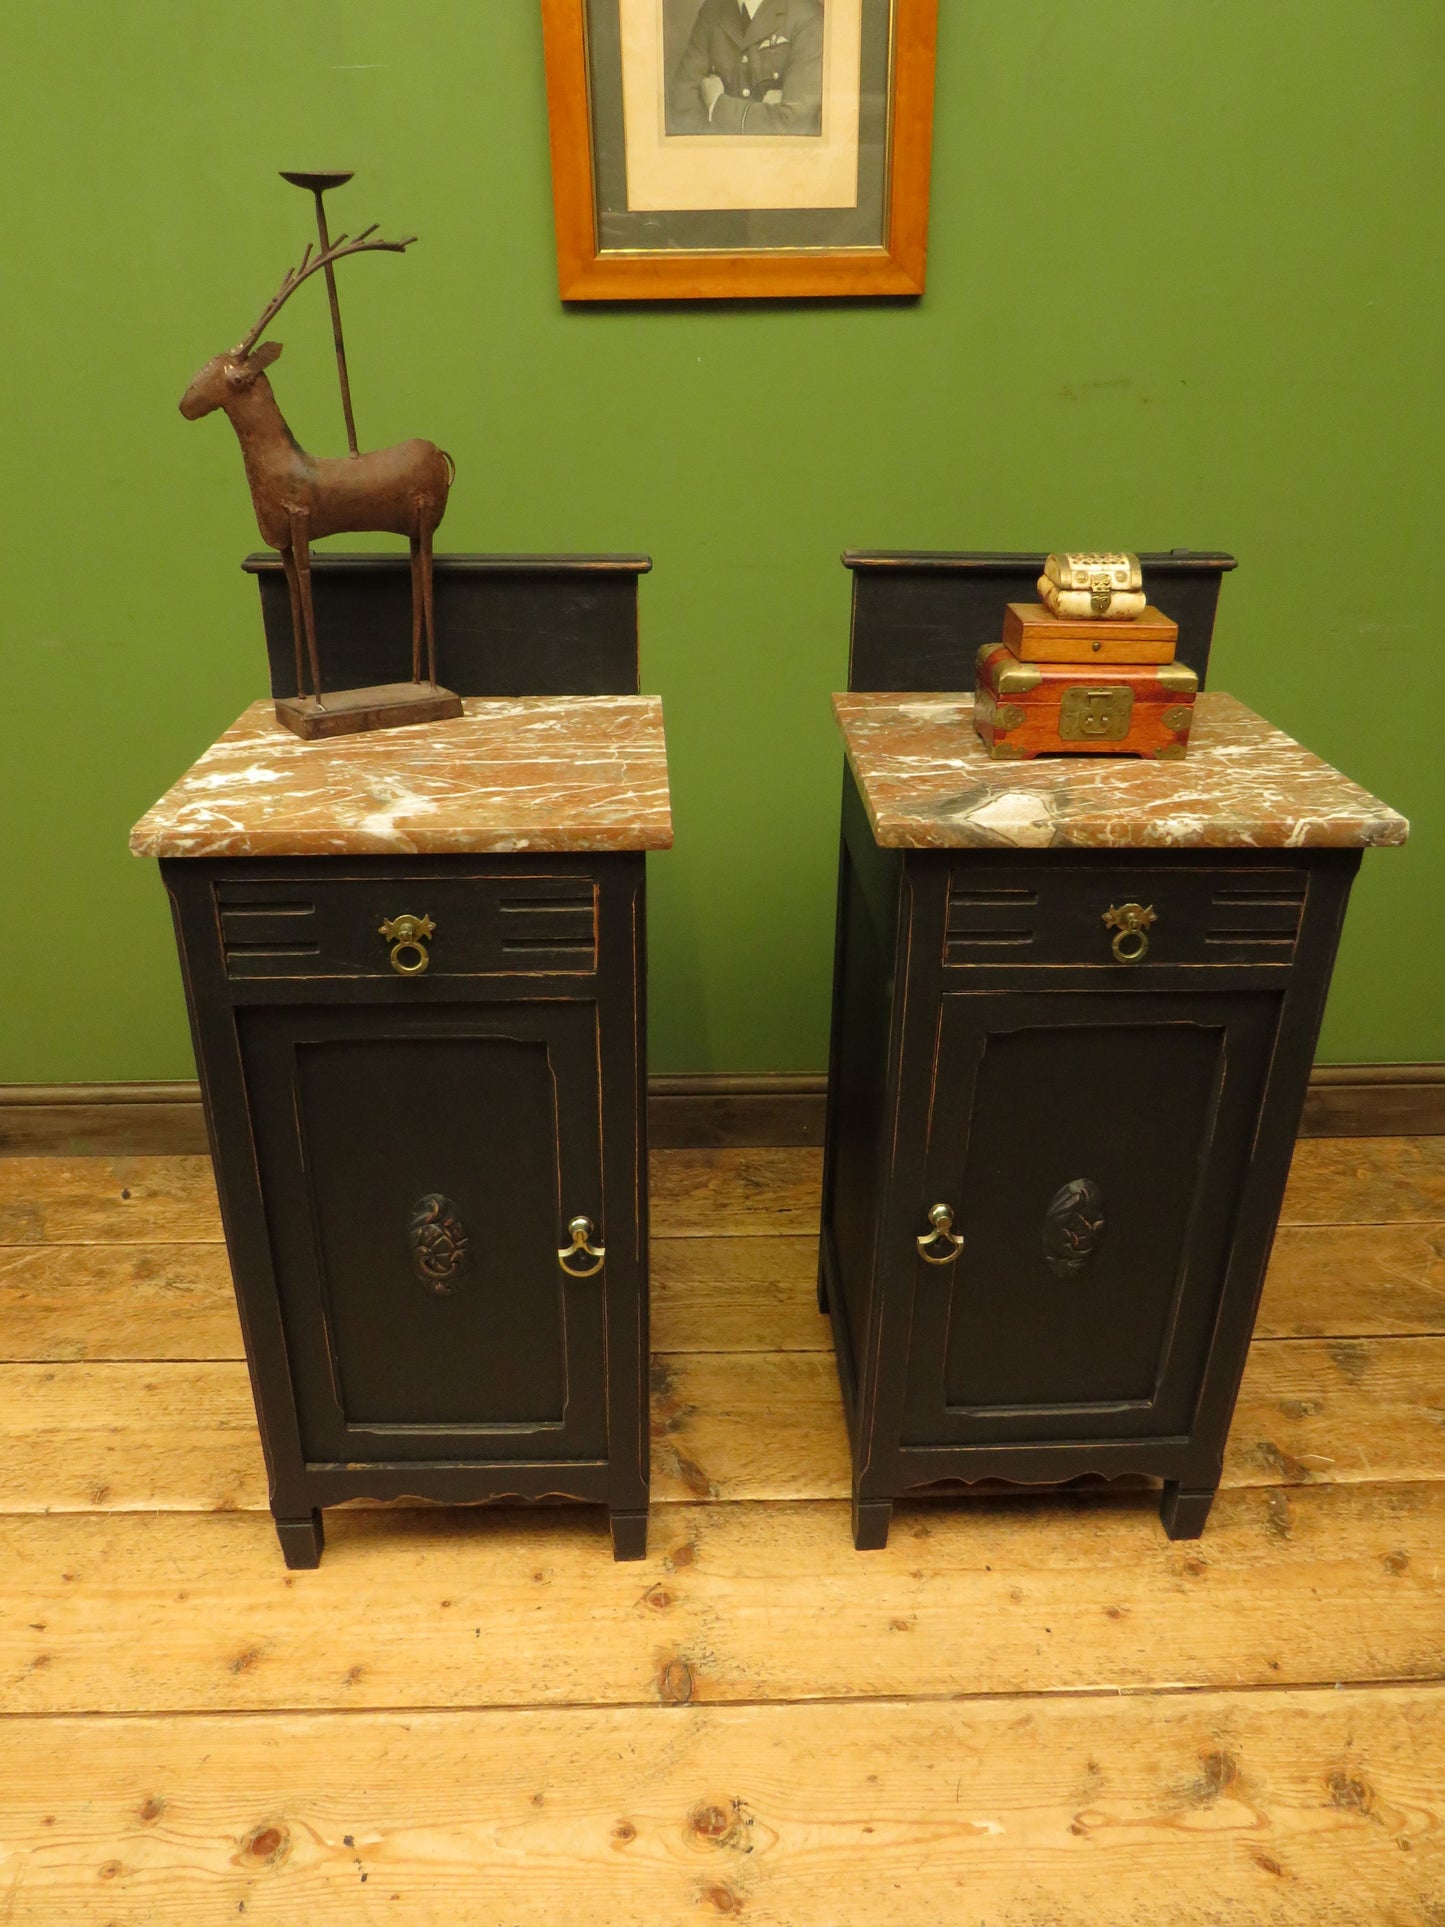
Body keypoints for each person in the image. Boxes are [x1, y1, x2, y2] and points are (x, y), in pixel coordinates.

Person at [667, 0, 824, 136]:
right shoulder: (712, 10)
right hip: (719, 160)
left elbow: (793, 124)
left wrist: (716, 105)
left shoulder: (807, 15)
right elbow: (681, 107)